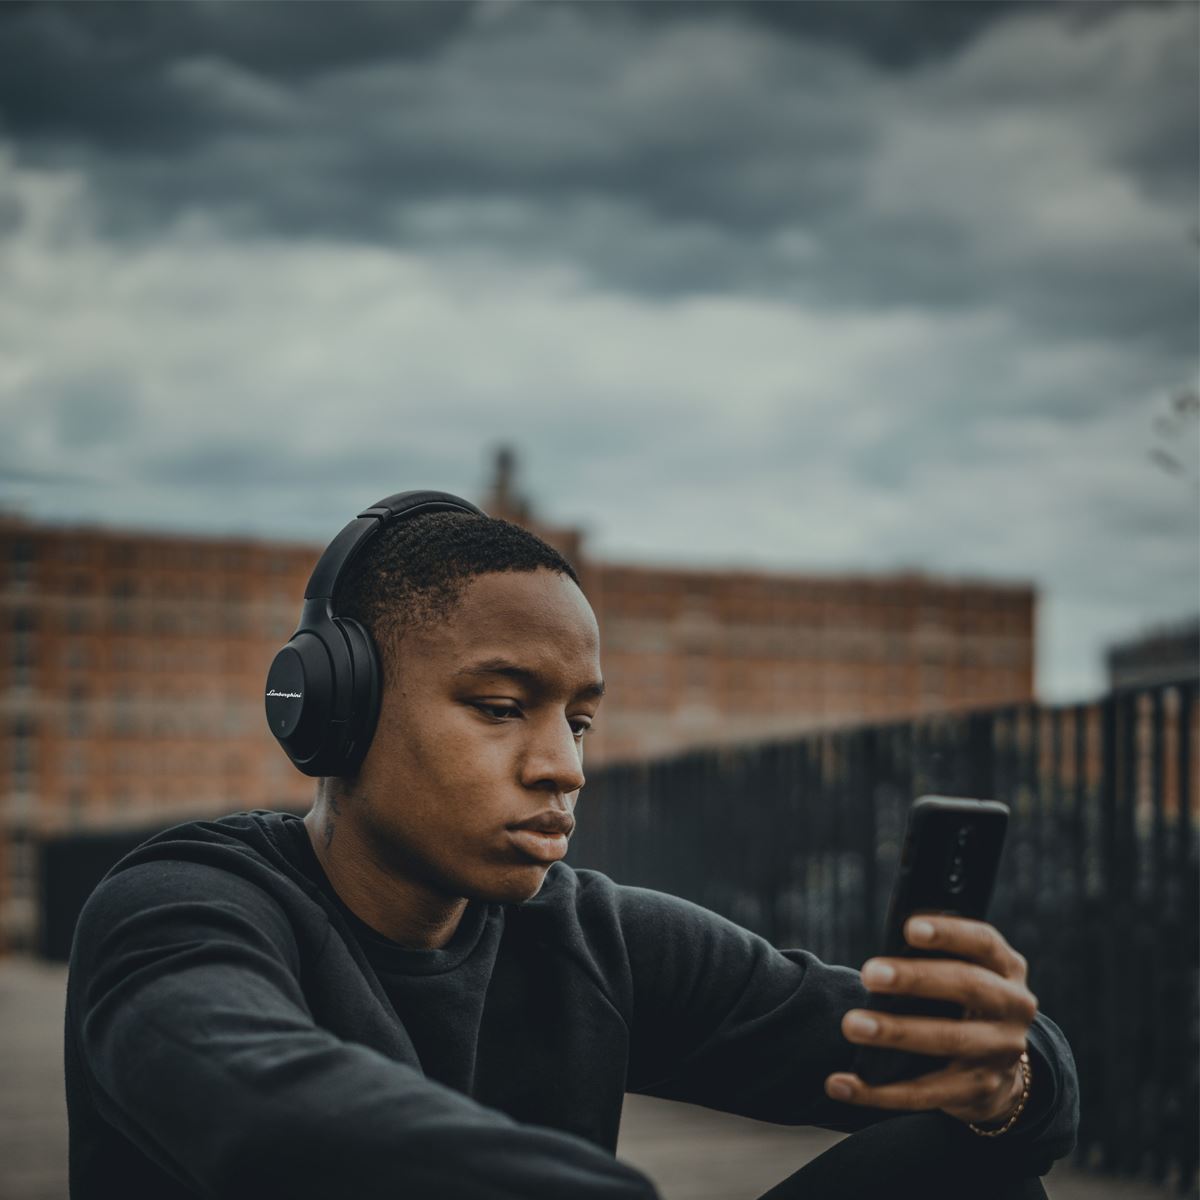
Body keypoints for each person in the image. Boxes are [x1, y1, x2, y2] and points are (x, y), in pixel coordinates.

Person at [65, 493, 1079, 1200]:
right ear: (338, 712)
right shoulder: (182, 907)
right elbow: (269, 1115)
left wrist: (1005, 1079)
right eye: (502, 707)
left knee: (968, 1169)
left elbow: (921, 1051)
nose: (564, 766)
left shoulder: (589, 936)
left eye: (580, 721)